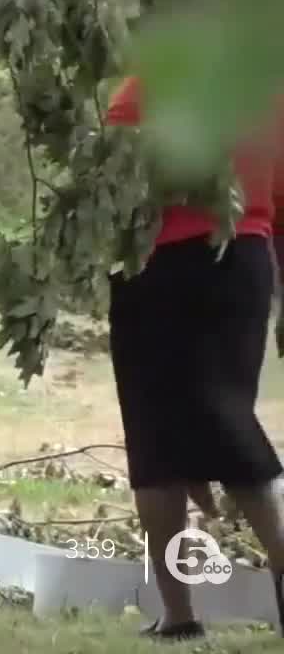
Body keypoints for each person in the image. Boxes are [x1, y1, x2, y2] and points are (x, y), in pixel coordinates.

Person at [105, 75, 284, 640]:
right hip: (246, 264)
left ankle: (179, 614)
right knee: (229, 422)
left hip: (156, 268)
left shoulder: (138, 94)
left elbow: (115, 195)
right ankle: (180, 614)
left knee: (157, 440)